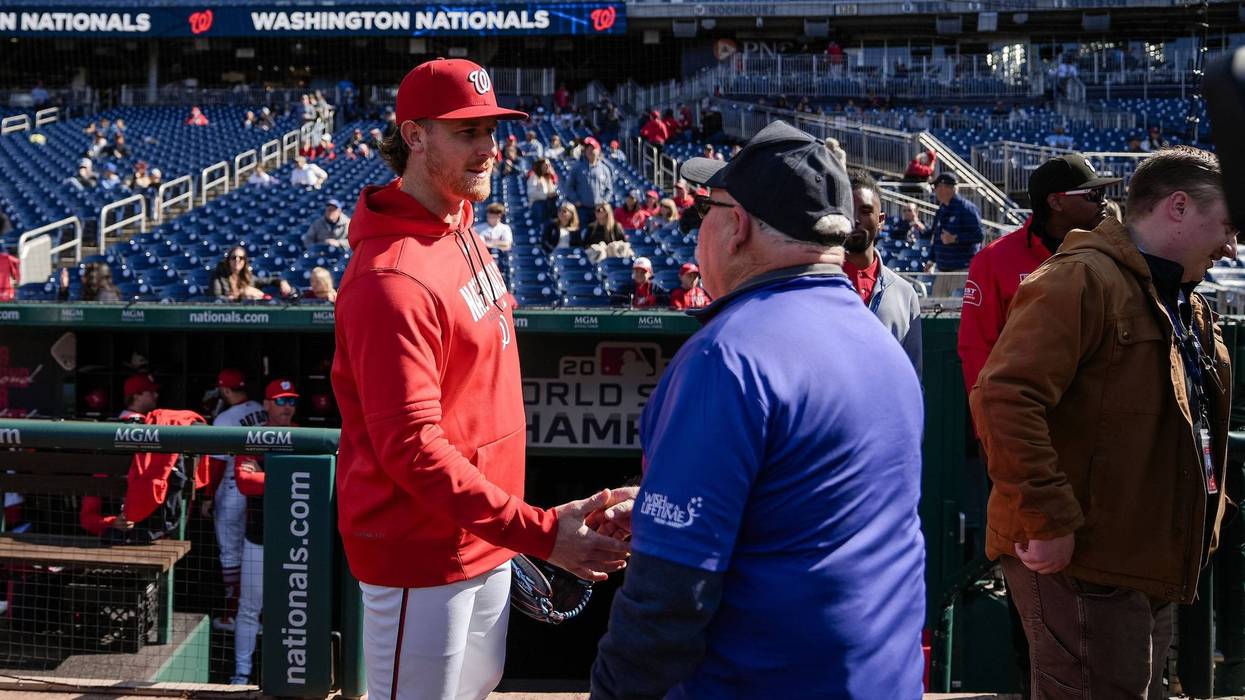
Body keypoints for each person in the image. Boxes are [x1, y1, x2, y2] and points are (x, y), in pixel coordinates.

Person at [592, 120, 925, 699]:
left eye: (707, 209)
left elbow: (667, 603)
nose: (700, 225)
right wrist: (664, 503)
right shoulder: (882, 342)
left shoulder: (727, 356)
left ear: (738, 226)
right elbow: (809, 513)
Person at [332, 58, 630, 700]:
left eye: (491, 130)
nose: (489, 147)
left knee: (478, 686)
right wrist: (541, 532)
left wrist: (516, 526)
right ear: (414, 136)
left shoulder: (460, 227)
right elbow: (412, 449)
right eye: (466, 131)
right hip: (418, 548)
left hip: (486, 533)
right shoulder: (390, 279)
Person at [971, 146, 1234, 699]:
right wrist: (1048, 520)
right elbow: (1004, 398)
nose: (1231, 245)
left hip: (1141, 558)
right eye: (1227, 225)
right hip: (1083, 560)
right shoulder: (1080, 279)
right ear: (1178, 207)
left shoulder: (1179, 299)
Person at [959, 154, 1120, 395]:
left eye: (1103, 193)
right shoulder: (994, 259)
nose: (1104, 202)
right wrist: (989, 411)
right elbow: (977, 346)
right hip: (1023, 407)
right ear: (1056, 202)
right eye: (1093, 194)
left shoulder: (1112, 253)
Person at [230, 378, 299, 685]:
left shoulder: (303, 435)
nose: (288, 407)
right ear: (267, 404)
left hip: (298, 540)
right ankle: (241, 674)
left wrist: (267, 476)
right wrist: (290, 478)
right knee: (249, 609)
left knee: (292, 610)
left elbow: (317, 480)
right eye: (281, 401)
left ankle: (287, 675)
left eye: (292, 401)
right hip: (258, 538)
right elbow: (245, 483)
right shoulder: (254, 437)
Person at [204, 369, 268, 631]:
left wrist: (207, 497)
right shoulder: (261, 410)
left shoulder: (225, 419)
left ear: (226, 391)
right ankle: (255, 613)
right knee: (253, 552)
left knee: (231, 553)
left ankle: (233, 614)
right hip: (255, 486)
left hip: (232, 487)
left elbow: (216, 465)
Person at [845, 169, 923, 377]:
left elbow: (913, 376)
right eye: (848, 210)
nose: (855, 219)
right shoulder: (817, 286)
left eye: (865, 211)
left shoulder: (905, 294)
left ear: (880, 219)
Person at [929, 172, 983, 297]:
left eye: (937, 187)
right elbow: (936, 237)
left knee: (957, 307)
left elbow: (978, 236)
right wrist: (932, 259)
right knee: (936, 306)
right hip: (942, 270)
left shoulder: (966, 208)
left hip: (961, 271)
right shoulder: (942, 209)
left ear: (946, 188)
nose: (935, 191)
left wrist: (955, 238)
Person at [210, 246, 291, 301]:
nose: (237, 260)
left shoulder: (249, 277)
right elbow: (216, 298)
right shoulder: (218, 276)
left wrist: (282, 282)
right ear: (228, 260)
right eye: (234, 258)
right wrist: (239, 295)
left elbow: (270, 280)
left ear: (244, 261)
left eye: (241, 258)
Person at [566, 138, 615, 229]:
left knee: (598, 233)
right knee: (583, 233)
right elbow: (569, 187)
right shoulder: (577, 168)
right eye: (587, 149)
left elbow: (609, 189)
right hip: (582, 209)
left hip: (599, 210)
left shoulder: (605, 169)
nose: (590, 151)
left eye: (592, 148)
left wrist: (604, 201)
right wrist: (576, 200)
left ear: (598, 150)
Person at [527, 158, 558, 224]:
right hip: (538, 204)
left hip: (549, 203)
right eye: (546, 165)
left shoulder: (549, 177)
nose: (548, 167)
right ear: (540, 166)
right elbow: (531, 193)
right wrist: (546, 195)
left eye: (549, 165)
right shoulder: (534, 176)